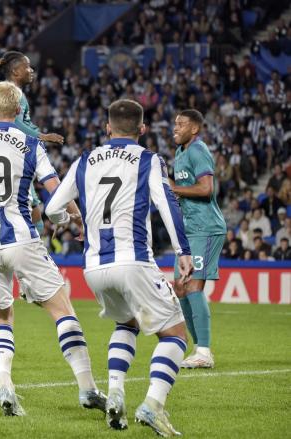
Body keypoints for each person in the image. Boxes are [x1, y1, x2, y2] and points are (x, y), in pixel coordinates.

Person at [0, 81, 105, 417]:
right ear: (18, 111)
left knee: (0, 318)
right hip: (22, 240)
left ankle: (5, 386)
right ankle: (87, 388)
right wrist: (75, 218)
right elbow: (55, 191)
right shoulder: (30, 143)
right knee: (62, 310)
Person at [46, 99, 193, 436]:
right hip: (133, 259)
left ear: (107, 127)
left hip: (94, 267)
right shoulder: (148, 159)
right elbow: (167, 203)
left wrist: (72, 218)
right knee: (174, 334)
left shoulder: (86, 159)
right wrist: (182, 250)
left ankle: (114, 392)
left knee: (126, 323)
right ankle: (153, 406)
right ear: (141, 130)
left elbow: (53, 207)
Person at [0, 50, 65, 308]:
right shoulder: (12, 94)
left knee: (34, 211)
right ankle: (28, 276)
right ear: (16, 71)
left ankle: (24, 275)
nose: (31, 71)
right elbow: (14, 124)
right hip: (14, 153)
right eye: (28, 67)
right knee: (32, 210)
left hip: (1, 153)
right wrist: (41, 136)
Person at [169, 109, 227, 369]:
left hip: (205, 228)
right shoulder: (180, 153)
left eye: (181, 124)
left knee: (192, 286)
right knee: (180, 287)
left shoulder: (197, 150)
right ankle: (198, 348)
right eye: (175, 124)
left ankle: (203, 351)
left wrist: (173, 188)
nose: (175, 128)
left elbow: (206, 189)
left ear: (194, 129)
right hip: (189, 230)